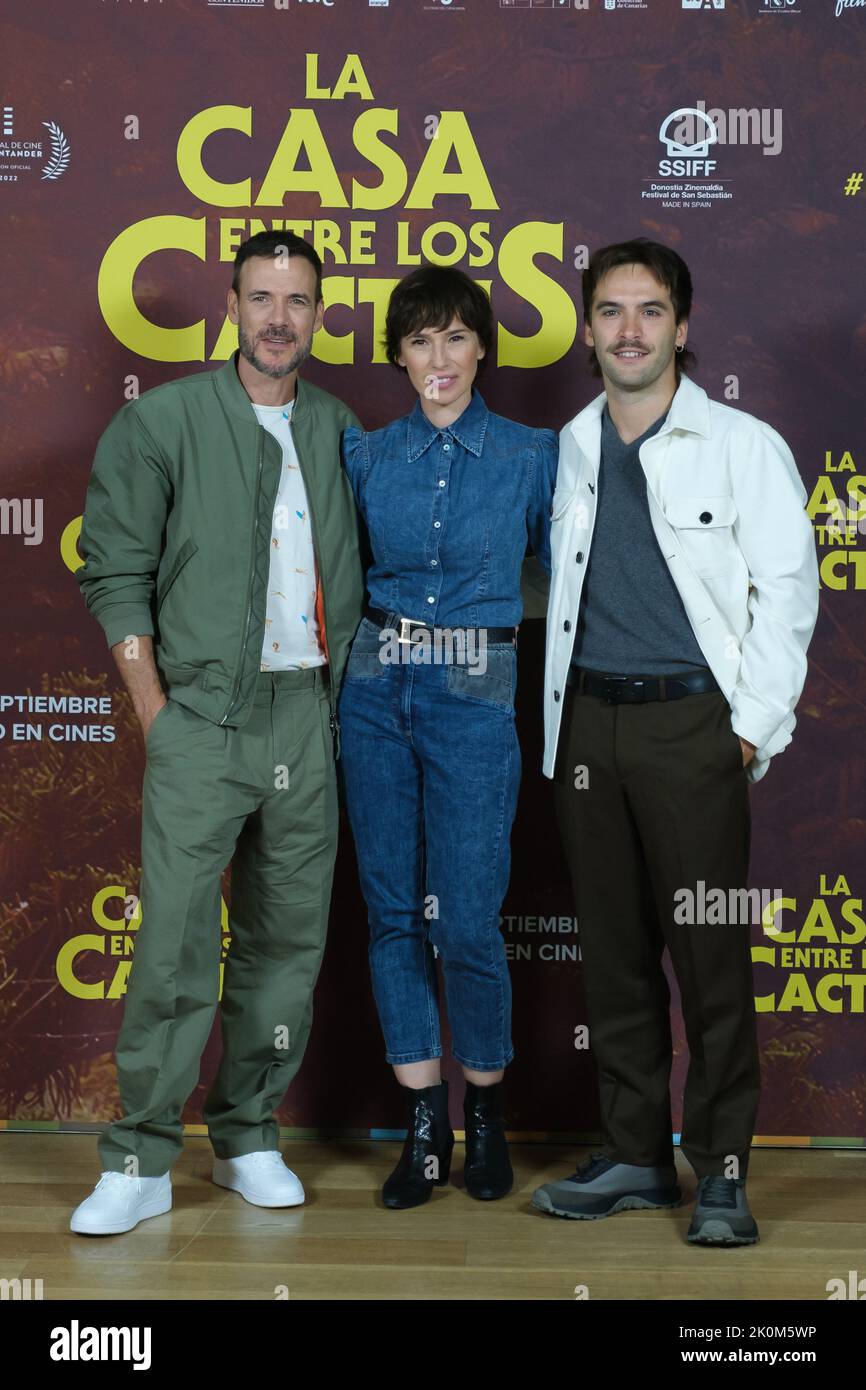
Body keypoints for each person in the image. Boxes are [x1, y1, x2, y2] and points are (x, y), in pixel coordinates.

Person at [70, 230, 364, 1235]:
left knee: (285, 945)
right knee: (176, 944)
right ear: (232, 306)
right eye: (262, 297)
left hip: (306, 715)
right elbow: (114, 572)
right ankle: (142, 1154)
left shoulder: (337, 427)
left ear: (318, 315)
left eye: (300, 300)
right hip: (201, 716)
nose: (280, 316)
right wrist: (156, 711)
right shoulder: (163, 422)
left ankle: (245, 1133)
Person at [532, 238, 819, 1245]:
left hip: (689, 726)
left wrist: (744, 733)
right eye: (608, 311)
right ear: (586, 327)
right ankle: (632, 1157)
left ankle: (722, 1172)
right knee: (611, 958)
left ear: (681, 328)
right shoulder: (567, 444)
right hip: (585, 729)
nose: (627, 330)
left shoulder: (742, 445)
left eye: (648, 311)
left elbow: (788, 595)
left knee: (707, 960)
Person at [338, 265, 558, 1209]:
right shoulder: (367, 457)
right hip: (377, 686)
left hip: (474, 687)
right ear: (398, 354)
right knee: (392, 911)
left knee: (466, 916)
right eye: (421, 339)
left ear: (482, 349)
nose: (440, 357)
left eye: (457, 336)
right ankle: (424, 1124)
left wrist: (489, 634)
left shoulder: (531, 454)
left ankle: (486, 1109)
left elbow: (565, 579)